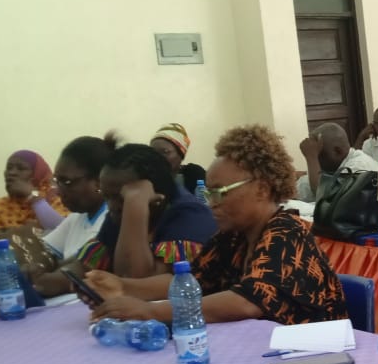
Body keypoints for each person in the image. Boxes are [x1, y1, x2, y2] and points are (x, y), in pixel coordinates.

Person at [89, 125, 346, 326]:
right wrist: (123, 287)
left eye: (220, 192)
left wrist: (150, 310)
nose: (211, 203)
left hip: (317, 359)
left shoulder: (287, 233)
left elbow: (247, 302)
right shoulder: (232, 236)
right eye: (209, 193)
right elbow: (190, 282)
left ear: (261, 189)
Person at [75, 143, 216, 277]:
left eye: (121, 198)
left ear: (156, 196)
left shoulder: (190, 214)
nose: (111, 207)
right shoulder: (118, 212)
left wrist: (135, 204)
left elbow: (134, 277)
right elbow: (85, 267)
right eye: (106, 196)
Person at [31, 135, 117, 296]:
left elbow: (74, 272)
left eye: (67, 182)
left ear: (99, 182)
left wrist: (41, 271)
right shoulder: (77, 218)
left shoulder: (111, 220)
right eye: (57, 180)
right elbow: (41, 252)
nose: (57, 190)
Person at [296, 122, 378, 204]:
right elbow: (302, 190)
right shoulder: (336, 165)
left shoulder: (359, 165)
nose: (318, 161)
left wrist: (311, 158)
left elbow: (325, 198)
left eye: (319, 154)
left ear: (337, 151)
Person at [0, 150, 68, 231]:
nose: (12, 173)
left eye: (21, 168)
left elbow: (64, 233)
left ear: (37, 173)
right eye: (9, 168)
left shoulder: (57, 199)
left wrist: (32, 195)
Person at [150, 123, 206, 194]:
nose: (156, 157)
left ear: (181, 155)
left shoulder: (195, 174)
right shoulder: (146, 179)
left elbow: (203, 201)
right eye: (152, 152)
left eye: (165, 152)